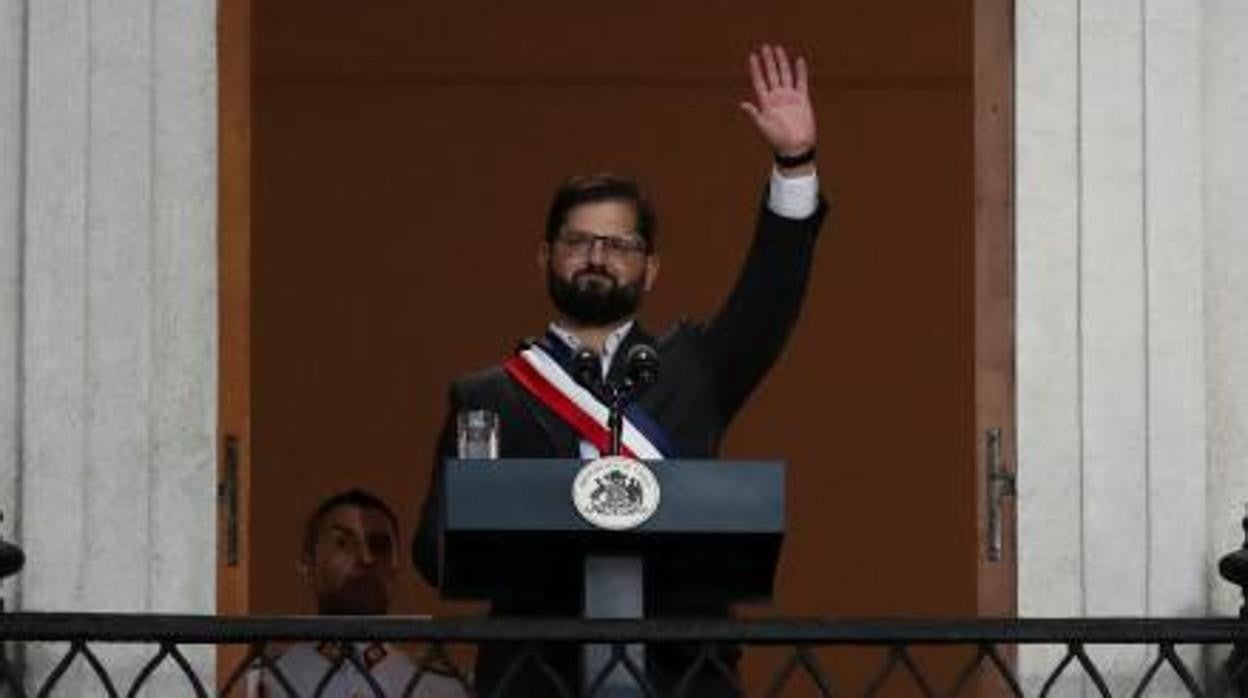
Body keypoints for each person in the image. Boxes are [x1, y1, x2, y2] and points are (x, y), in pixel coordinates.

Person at [414, 43, 826, 697]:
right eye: (579, 242)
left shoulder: (695, 368)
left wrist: (794, 163)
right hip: (536, 681)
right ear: (546, 256)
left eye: (619, 244)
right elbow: (435, 553)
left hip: (682, 680)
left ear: (650, 268)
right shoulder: (489, 396)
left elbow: (769, 298)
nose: (597, 257)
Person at [254, 489, 468, 698]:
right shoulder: (267, 682)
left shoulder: (437, 687)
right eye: (343, 543)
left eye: (379, 545)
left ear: (396, 568)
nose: (366, 558)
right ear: (308, 565)